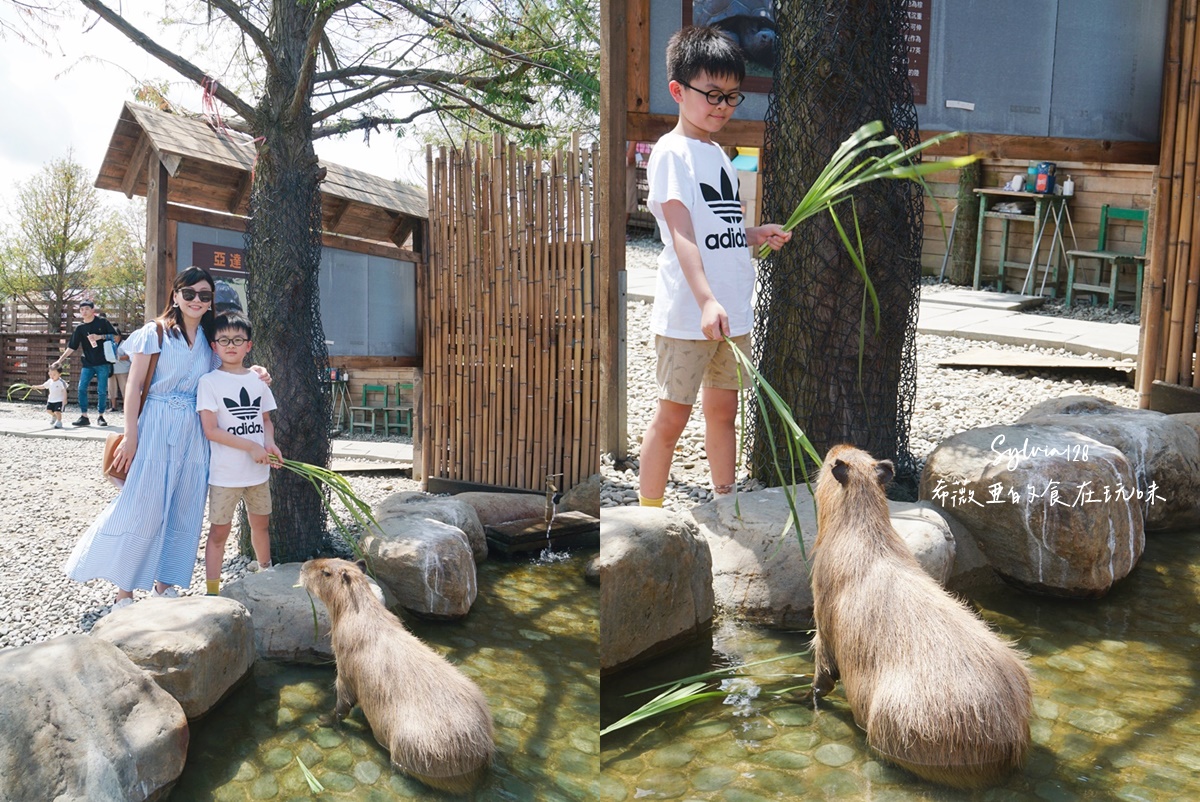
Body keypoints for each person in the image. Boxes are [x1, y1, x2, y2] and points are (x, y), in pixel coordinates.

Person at [637, 26, 791, 508]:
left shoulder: (719, 156)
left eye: (731, 96)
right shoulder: (671, 152)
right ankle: (649, 516)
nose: (722, 106)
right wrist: (706, 300)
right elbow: (682, 234)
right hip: (691, 315)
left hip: (731, 314)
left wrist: (754, 235)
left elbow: (719, 229)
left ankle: (725, 502)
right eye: (712, 94)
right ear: (679, 91)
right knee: (672, 418)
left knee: (724, 412)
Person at [63, 266, 267, 609]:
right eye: (189, 293)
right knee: (143, 505)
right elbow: (134, 387)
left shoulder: (208, 339)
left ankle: (165, 584)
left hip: (195, 430)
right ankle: (124, 590)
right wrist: (131, 435)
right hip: (155, 422)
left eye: (204, 295)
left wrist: (257, 371)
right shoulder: (153, 333)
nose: (196, 300)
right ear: (175, 295)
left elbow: (232, 366)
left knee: (186, 506)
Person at [197, 310, 281, 596]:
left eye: (237, 339)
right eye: (223, 340)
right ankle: (212, 591)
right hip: (225, 474)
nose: (230, 345)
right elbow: (211, 430)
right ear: (213, 346)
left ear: (249, 345)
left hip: (258, 470)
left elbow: (265, 420)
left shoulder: (257, 380)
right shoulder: (209, 382)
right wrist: (251, 447)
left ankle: (266, 573)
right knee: (219, 532)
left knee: (261, 525)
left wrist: (269, 445)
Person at [51, 300, 119, 427]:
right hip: (87, 362)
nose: (84, 311)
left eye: (87, 309)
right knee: (81, 388)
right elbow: (72, 346)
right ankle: (84, 416)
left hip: (103, 362)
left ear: (93, 310)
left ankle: (101, 416)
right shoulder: (80, 328)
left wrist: (100, 337)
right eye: (81, 309)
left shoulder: (102, 322)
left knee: (102, 390)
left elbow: (116, 337)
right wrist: (60, 360)